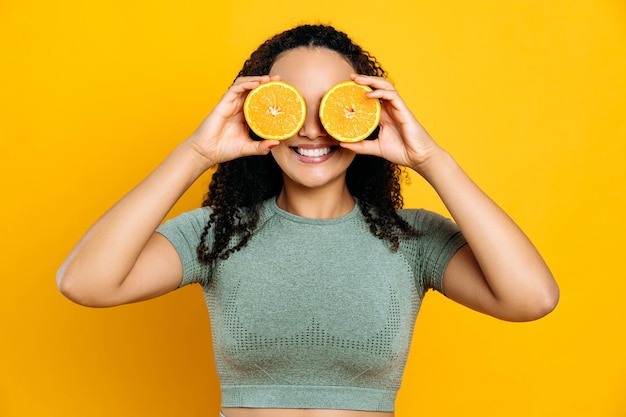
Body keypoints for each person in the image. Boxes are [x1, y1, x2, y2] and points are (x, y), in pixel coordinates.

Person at [57, 24, 559, 417]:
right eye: (290, 106)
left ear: (369, 115)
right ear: (258, 112)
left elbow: (532, 298)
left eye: (335, 107)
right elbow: (85, 282)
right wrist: (196, 152)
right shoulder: (219, 230)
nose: (314, 131)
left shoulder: (410, 238)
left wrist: (432, 161)